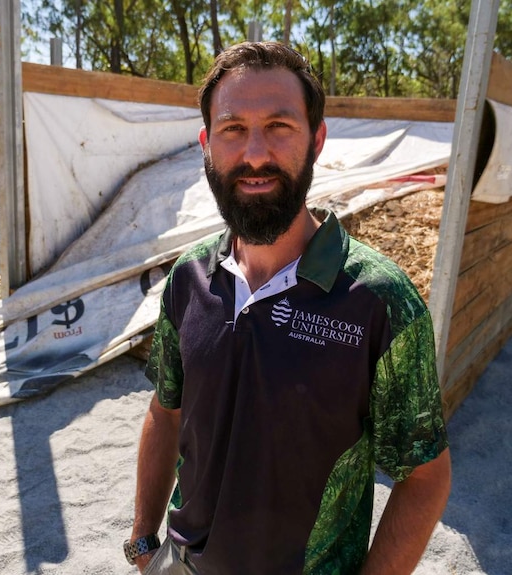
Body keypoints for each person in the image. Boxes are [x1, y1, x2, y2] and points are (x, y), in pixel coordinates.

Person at [125, 41, 451, 574]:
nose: (255, 154)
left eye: (279, 126)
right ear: (207, 144)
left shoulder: (378, 300)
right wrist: (143, 542)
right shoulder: (188, 279)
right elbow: (165, 409)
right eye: (233, 129)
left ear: (317, 140)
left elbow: (425, 475)